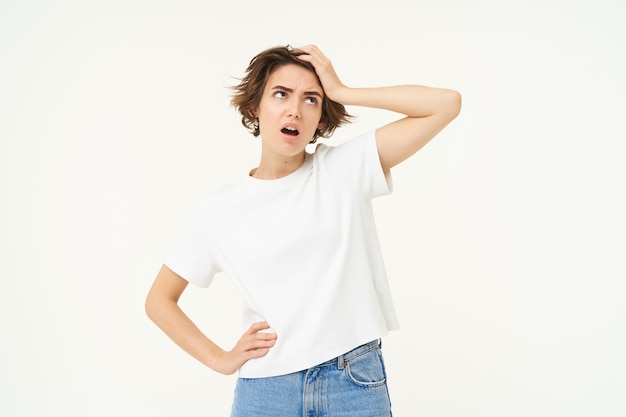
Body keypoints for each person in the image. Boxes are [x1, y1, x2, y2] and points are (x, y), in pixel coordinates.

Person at [145, 44, 461, 416]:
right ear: (254, 108)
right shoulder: (219, 209)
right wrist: (220, 359)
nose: (295, 109)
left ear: (321, 120)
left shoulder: (342, 169)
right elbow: (159, 301)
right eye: (281, 94)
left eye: (311, 100)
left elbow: (446, 103)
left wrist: (342, 91)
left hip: (353, 381)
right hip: (266, 390)